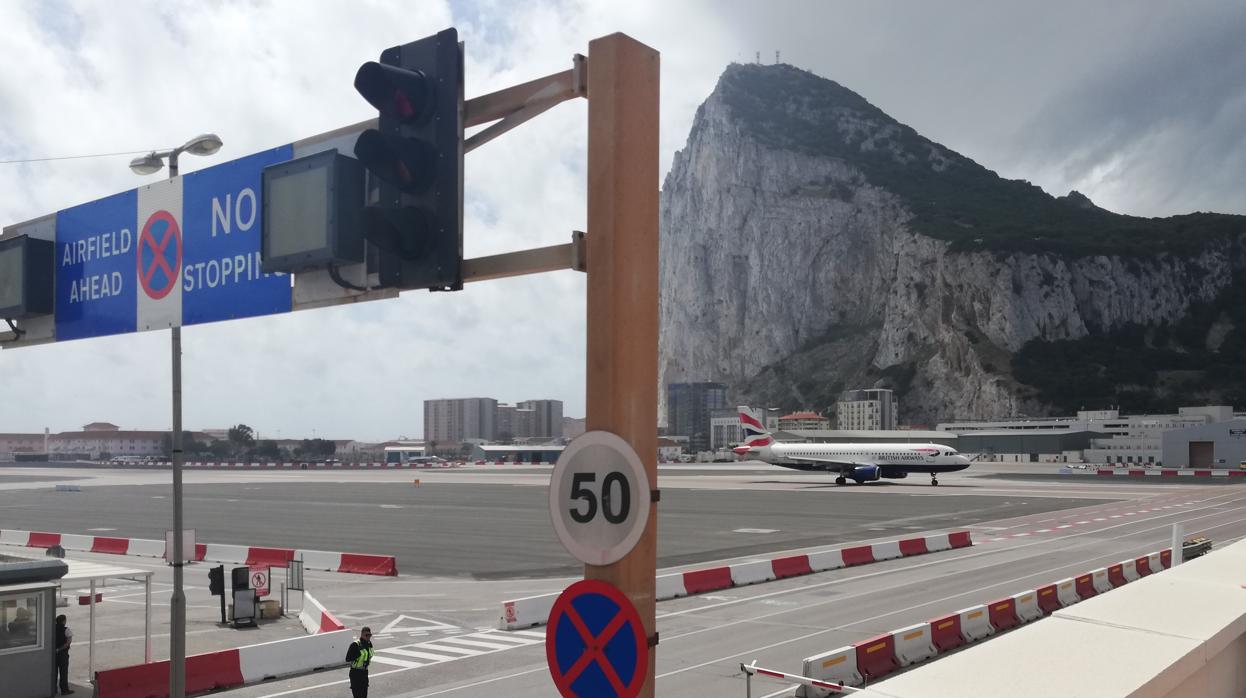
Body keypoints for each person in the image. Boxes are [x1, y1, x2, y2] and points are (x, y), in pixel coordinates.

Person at [344, 626, 373, 698]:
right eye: (367, 635)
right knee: (357, 696)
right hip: (355, 673)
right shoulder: (355, 645)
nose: (368, 637)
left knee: (364, 695)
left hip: (364, 673)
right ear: (362, 635)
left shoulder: (369, 644)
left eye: (370, 635)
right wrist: (357, 655)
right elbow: (347, 658)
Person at [55, 614, 73, 695]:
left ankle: (53, 689)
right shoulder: (66, 630)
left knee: (54, 672)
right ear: (64, 621)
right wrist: (59, 649)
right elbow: (68, 643)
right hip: (62, 653)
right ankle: (64, 690)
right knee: (63, 672)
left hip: (53, 654)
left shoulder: (53, 628)